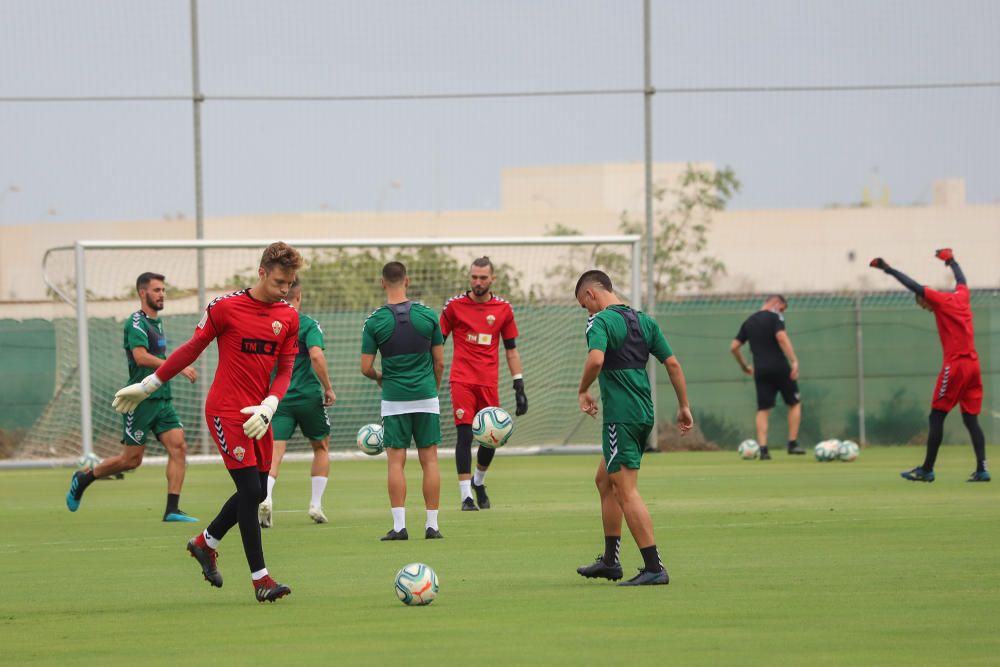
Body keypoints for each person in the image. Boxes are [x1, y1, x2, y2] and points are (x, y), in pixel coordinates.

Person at [110, 242, 303, 603]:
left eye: (290, 284)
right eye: (279, 281)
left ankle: (205, 543)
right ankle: (261, 580)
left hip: (259, 415)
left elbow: (286, 368)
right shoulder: (225, 307)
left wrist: (270, 405)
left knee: (258, 491)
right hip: (226, 411)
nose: (285, 290)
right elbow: (191, 348)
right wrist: (149, 384)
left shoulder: (288, 317)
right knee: (249, 492)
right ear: (261, 272)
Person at [573, 270, 693, 586]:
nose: (588, 312)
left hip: (621, 417)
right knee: (604, 480)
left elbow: (596, 360)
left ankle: (654, 567)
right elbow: (673, 364)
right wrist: (683, 406)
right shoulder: (644, 321)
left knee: (626, 489)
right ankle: (611, 561)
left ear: (591, 295)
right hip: (642, 414)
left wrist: (583, 389)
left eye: (585, 306)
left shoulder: (599, 322)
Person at [66, 272, 199, 522]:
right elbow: (140, 356)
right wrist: (177, 366)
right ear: (142, 293)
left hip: (162, 399)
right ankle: (84, 478)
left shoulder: (157, 323)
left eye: (163, 290)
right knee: (131, 460)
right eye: (156, 290)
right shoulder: (136, 322)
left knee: (178, 447)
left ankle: (172, 509)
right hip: (139, 400)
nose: (162, 294)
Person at [870, 248, 989, 482]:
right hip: (974, 366)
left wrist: (888, 269)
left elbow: (913, 285)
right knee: (970, 419)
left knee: (936, 416)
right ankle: (982, 469)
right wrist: (951, 260)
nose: (926, 309)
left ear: (926, 299)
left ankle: (927, 469)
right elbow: (962, 280)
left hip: (955, 366)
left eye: (923, 306)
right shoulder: (961, 296)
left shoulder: (938, 300)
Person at [361, 261, 445, 540]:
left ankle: (399, 527)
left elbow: (365, 367)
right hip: (426, 397)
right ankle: (432, 526)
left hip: (394, 400)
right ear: (406, 281)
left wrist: (380, 377)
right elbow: (440, 362)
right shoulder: (429, 315)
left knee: (396, 463)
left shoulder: (374, 321)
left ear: (382, 283)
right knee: (429, 461)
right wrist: (432, 389)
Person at [440, 257, 527, 511]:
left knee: (491, 440)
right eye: (474, 277)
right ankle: (466, 496)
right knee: (465, 435)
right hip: (461, 380)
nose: (477, 282)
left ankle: (479, 481)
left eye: (483, 278)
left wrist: (519, 386)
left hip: (488, 383)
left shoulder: (503, 309)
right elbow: (437, 342)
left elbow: (511, 350)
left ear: (492, 279)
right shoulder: (454, 306)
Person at [258, 281, 336, 527]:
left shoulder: (267, 324)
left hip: (278, 398)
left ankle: (267, 499)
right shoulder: (307, 324)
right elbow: (316, 355)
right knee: (321, 447)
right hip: (308, 397)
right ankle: (315, 504)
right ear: (299, 296)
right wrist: (328, 387)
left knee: (275, 452)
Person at [730, 295, 806, 458]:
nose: (782, 312)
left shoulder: (749, 321)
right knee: (795, 402)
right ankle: (792, 444)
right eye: (783, 309)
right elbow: (781, 337)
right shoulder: (775, 316)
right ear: (776, 304)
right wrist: (794, 360)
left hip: (760, 370)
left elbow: (734, 347)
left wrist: (744, 366)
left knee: (763, 409)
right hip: (780, 366)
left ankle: (763, 449)